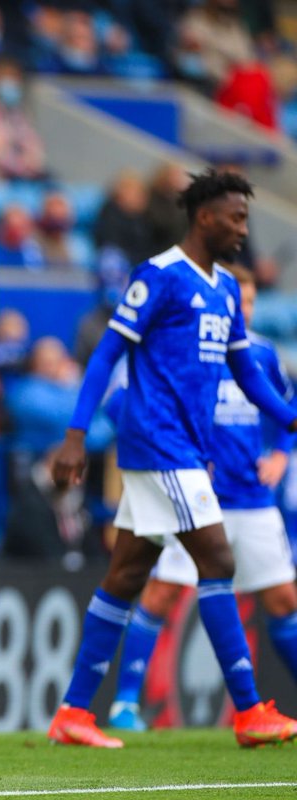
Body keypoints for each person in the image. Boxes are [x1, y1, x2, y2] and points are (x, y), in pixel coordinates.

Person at [48, 168, 297, 749]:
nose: (243, 229)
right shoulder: (158, 276)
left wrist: (290, 419)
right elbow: (107, 354)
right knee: (217, 559)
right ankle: (250, 710)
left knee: (127, 573)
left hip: (183, 449)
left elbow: (248, 375)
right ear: (205, 216)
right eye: (236, 217)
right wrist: (77, 434)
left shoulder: (227, 289)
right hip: (161, 444)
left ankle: (73, 713)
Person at [106, 265, 297, 732]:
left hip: (252, 500)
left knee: (283, 600)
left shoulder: (263, 355)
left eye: (250, 304)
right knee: (163, 591)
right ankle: (126, 704)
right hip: (193, 493)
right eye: (238, 303)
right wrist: (176, 453)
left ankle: (259, 708)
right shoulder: (183, 354)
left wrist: (280, 455)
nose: (243, 311)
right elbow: (120, 403)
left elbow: (285, 413)